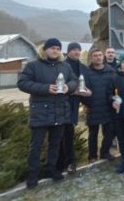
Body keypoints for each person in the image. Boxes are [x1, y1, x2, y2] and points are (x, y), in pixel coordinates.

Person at [17, 38, 78, 189]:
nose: (55, 50)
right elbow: (22, 83)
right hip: (40, 112)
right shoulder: (33, 66)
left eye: (58, 48)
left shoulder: (65, 66)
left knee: (55, 144)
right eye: (52, 48)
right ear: (44, 50)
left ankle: (51, 169)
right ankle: (32, 176)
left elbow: (74, 81)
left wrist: (68, 88)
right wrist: (45, 88)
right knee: (36, 146)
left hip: (60, 110)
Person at [57, 42, 91, 175]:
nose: (77, 52)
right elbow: (61, 86)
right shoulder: (62, 66)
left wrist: (88, 94)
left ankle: (71, 162)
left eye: (79, 50)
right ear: (68, 51)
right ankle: (60, 164)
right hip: (61, 104)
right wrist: (77, 92)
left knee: (69, 134)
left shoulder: (83, 67)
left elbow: (85, 85)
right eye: (74, 50)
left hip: (74, 105)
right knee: (60, 136)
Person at [82, 49, 116, 163]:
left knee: (110, 132)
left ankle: (104, 152)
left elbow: (114, 89)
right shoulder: (86, 72)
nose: (98, 57)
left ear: (103, 57)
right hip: (93, 107)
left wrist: (113, 100)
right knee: (93, 134)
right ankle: (92, 155)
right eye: (95, 55)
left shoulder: (110, 71)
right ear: (91, 58)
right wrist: (87, 104)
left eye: (100, 55)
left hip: (107, 107)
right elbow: (83, 90)